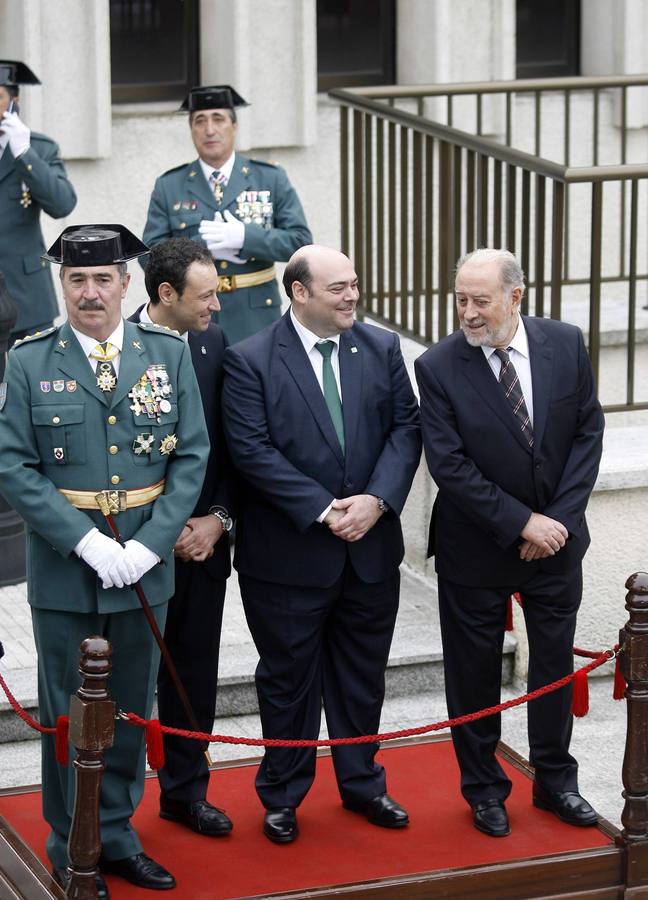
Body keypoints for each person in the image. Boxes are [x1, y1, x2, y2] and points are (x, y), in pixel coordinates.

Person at [0, 224, 210, 895]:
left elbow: (192, 456)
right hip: (67, 571)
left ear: (126, 283)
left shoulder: (167, 354)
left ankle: (115, 834)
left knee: (126, 708)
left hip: (144, 568)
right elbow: (13, 463)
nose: (89, 292)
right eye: (75, 280)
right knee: (67, 715)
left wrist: (150, 544)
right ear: (61, 284)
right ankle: (69, 839)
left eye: (102, 279)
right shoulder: (29, 361)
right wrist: (84, 540)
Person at [222, 244, 421, 844]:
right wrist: (323, 510)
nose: (352, 296)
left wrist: (377, 500)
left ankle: (364, 784)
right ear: (299, 293)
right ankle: (283, 795)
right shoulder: (250, 360)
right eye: (338, 287)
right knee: (288, 682)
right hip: (287, 559)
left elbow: (406, 428)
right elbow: (250, 450)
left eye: (354, 283)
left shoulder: (381, 348)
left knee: (363, 677)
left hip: (370, 552)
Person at [414, 248, 605, 838]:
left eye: (481, 301)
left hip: (557, 547)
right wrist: (524, 523)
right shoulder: (438, 366)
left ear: (515, 297)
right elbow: (450, 466)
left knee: (551, 668)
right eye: (461, 300)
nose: (469, 313)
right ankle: (484, 790)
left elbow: (586, 436)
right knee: (472, 677)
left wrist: (559, 524)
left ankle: (555, 782)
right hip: (477, 548)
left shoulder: (565, 343)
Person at [129, 237, 234, 837]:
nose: (217, 307)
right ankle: (108, 805)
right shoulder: (116, 346)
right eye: (207, 294)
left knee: (192, 670)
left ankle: (185, 792)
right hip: (131, 550)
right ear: (165, 295)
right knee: (121, 678)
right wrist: (155, 532)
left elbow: (227, 445)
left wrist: (218, 518)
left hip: (199, 547)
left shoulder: (213, 345)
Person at [142, 85, 312, 344]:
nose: (210, 129)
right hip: (191, 316)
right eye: (200, 121)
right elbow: (149, 256)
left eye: (218, 119)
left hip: (254, 315)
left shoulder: (269, 178)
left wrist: (246, 238)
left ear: (234, 126)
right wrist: (197, 251)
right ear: (192, 131)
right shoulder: (169, 185)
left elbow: (300, 243)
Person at [0, 60, 76, 342]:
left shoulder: (39, 148)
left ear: (13, 103)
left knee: (33, 382)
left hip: (26, 298)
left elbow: (62, 204)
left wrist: (24, 154)